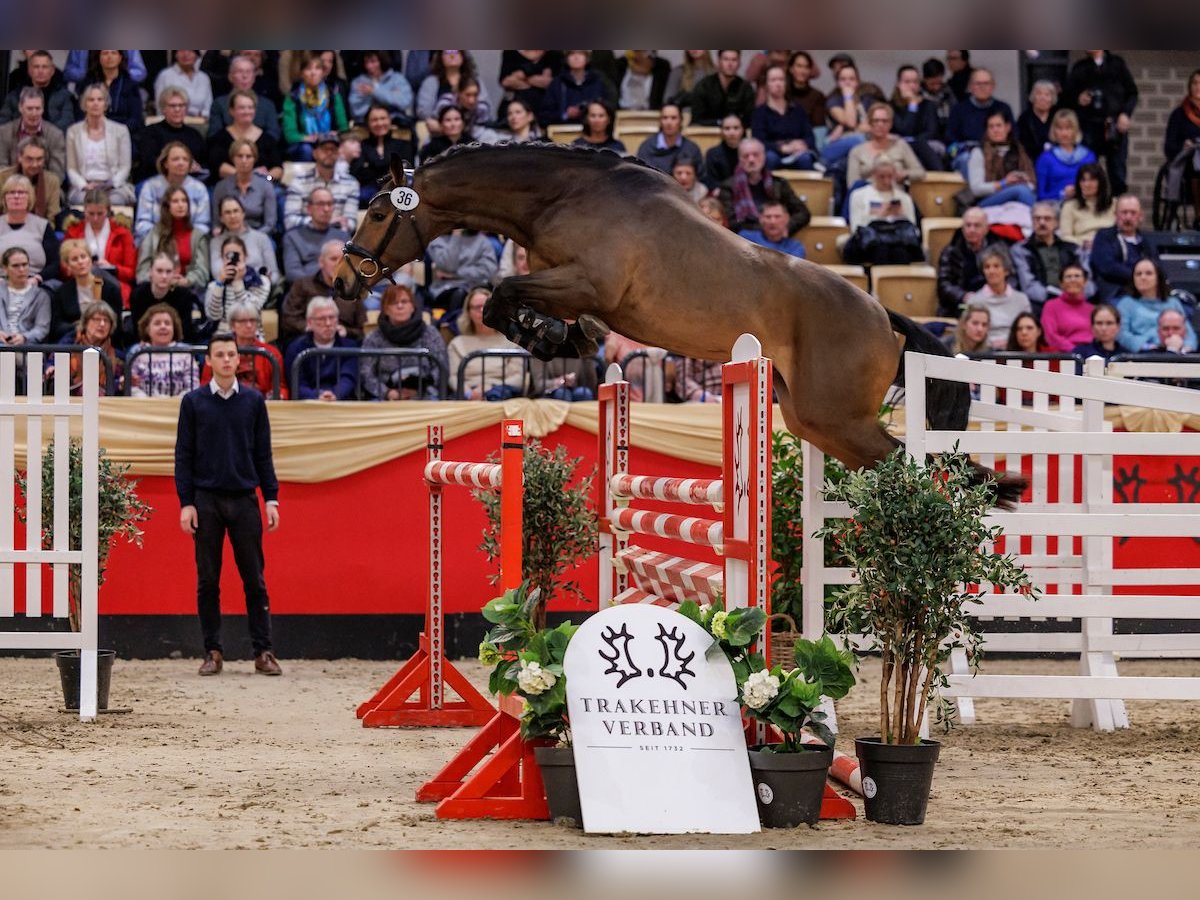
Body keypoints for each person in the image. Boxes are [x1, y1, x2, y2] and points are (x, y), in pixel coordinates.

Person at [176, 331, 282, 677]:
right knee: (208, 580)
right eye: (218, 354)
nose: (225, 359)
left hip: (244, 500)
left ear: (239, 360)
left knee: (255, 579)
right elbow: (184, 456)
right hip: (206, 501)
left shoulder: (253, 402)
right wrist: (186, 502)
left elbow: (263, 454)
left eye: (231, 354)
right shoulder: (193, 403)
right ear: (208, 360)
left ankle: (263, 651)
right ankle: (212, 650)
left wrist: (270, 498)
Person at [1065, 51, 1138, 195]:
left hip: (1114, 125)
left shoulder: (1116, 64)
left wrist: (1125, 114)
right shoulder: (1080, 67)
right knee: (1089, 171)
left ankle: (1117, 208)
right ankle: (1090, 208)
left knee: (1117, 172)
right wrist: (1078, 99)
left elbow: (1132, 93)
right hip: (1089, 126)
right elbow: (1066, 96)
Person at [360, 280, 449, 400]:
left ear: (413, 307)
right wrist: (388, 393)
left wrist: (420, 387)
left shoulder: (431, 333)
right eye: (393, 303)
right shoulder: (373, 338)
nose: (400, 306)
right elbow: (366, 373)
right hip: (386, 398)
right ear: (385, 309)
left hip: (425, 394)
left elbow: (441, 367)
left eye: (404, 301)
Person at [279, 240, 365, 347]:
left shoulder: (353, 290)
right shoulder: (302, 285)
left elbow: (361, 330)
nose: (339, 264)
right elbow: (288, 320)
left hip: (343, 348)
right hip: (308, 346)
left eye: (343, 260)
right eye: (333, 259)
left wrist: (346, 331)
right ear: (321, 262)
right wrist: (312, 328)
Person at [447, 286, 525, 401]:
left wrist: (490, 388)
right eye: (477, 307)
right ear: (468, 312)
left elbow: (518, 377)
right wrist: (469, 394)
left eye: (487, 305)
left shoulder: (511, 341)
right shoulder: (457, 343)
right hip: (468, 395)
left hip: (503, 392)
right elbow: (453, 377)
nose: (482, 310)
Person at [718, 138, 811, 235]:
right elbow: (732, 222)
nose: (751, 159)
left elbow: (803, 213)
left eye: (756, 155)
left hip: (777, 240)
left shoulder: (779, 184)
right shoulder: (728, 187)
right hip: (744, 241)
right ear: (739, 159)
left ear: (764, 156)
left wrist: (785, 228)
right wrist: (766, 231)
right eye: (746, 156)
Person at [1011, 202, 1091, 314]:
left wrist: (1074, 296)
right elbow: (1028, 285)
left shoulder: (1073, 249)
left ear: (1056, 223)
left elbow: (1088, 280)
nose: (1042, 222)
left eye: (1047, 218)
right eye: (1037, 218)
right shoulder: (1022, 249)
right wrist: (1059, 299)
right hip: (1041, 304)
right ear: (1032, 222)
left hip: (1075, 299)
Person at [62, 188, 137, 305]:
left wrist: (113, 268)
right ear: (84, 210)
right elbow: (64, 267)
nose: (95, 218)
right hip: (79, 282)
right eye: (91, 214)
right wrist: (81, 267)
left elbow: (131, 272)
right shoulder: (73, 232)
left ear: (108, 211)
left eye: (100, 213)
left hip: (113, 282)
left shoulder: (122, 233)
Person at [65, 84, 135, 206]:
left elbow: (125, 167)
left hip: (113, 186)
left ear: (105, 104)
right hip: (84, 186)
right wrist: (84, 185)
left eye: (100, 99)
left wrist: (111, 184)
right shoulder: (73, 131)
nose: (95, 103)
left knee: (115, 201)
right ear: (84, 104)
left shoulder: (121, 130)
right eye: (91, 100)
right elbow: (71, 168)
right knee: (82, 201)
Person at [200, 302, 288, 398]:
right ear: (232, 325)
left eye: (253, 320)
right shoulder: (219, 351)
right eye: (242, 321)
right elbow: (206, 383)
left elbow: (280, 386)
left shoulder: (271, 353)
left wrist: (278, 396)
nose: (249, 325)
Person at [936, 207, 1013, 317]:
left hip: (995, 300)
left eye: (977, 225)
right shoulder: (951, 251)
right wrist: (963, 296)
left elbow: (1012, 278)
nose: (971, 230)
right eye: (968, 225)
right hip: (960, 305)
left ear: (986, 229)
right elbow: (943, 285)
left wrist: (995, 294)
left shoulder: (1000, 249)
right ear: (962, 229)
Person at [135, 187, 211, 294]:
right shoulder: (153, 234)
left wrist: (186, 281)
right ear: (167, 206)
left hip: (188, 291)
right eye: (175, 201)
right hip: (157, 291)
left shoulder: (198, 236)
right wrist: (161, 280)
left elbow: (202, 272)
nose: (181, 205)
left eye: (184, 201)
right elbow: (142, 271)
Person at [283, 296, 360, 401]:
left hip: (342, 403)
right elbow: (297, 383)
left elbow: (348, 378)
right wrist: (317, 396)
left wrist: (334, 394)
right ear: (310, 323)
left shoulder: (350, 346)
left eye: (332, 317)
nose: (328, 323)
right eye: (321, 319)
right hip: (307, 405)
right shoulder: (296, 348)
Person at [134, 142, 212, 241]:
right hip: (156, 242)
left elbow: (203, 225)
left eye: (185, 159)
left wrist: (185, 241)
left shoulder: (199, 189)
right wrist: (163, 240)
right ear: (165, 163)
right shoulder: (150, 187)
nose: (181, 163)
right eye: (175, 159)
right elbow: (142, 224)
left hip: (190, 243)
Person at [51, 239, 123, 343]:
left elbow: (117, 327)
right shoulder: (61, 293)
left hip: (105, 344)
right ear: (67, 265)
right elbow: (57, 327)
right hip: (74, 342)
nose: (80, 262)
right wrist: (79, 326)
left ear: (90, 259)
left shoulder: (110, 289)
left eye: (83, 257)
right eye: (75, 259)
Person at [206, 89, 284, 185]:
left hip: (262, 187)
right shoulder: (220, 138)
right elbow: (217, 166)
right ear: (231, 111)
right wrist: (249, 177)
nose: (247, 111)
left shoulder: (267, 139)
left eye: (250, 107)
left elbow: (278, 168)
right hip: (228, 186)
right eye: (242, 108)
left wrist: (267, 178)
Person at [1115, 259, 1195, 352]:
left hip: (1176, 351)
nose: (1143, 277)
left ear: (1158, 277)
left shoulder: (1173, 303)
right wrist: (1148, 347)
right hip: (1141, 355)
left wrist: (1185, 348)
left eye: (1148, 273)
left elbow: (1189, 334)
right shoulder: (1126, 304)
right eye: (1138, 274)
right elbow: (1121, 334)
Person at [282, 52, 349, 161]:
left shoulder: (333, 93)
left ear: (323, 72)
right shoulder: (293, 97)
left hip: (331, 141)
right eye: (308, 69)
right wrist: (307, 138)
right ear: (301, 73)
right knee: (307, 150)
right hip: (305, 145)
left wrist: (335, 134)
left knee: (348, 147)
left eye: (317, 68)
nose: (313, 73)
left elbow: (344, 128)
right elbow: (290, 134)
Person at [1091, 195, 1158, 303]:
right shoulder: (1104, 237)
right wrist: (1139, 275)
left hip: (1146, 293)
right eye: (1124, 212)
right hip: (1115, 294)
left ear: (1141, 216)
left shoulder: (1147, 242)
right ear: (1115, 215)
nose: (1128, 217)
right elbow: (1107, 267)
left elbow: (1157, 267)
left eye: (1133, 213)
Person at [964, 109, 1036, 208]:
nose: (995, 130)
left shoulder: (1019, 150)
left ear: (1007, 127)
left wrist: (1024, 180)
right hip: (986, 200)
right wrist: (1004, 183)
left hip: (1017, 196)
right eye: (991, 127)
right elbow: (976, 189)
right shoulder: (978, 152)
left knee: (1026, 191)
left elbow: (1032, 184)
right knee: (1020, 190)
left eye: (999, 126)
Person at [963, 247, 1032, 349]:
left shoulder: (1022, 299)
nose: (991, 271)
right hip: (983, 352)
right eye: (987, 267)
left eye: (996, 266)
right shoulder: (974, 301)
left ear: (1006, 271)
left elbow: (1028, 330)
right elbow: (967, 332)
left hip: (1015, 351)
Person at [752, 64, 817, 171]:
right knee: (770, 158)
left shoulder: (797, 110)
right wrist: (782, 148)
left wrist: (802, 144)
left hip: (797, 153)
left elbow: (810, 137)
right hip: (773, 153)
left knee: (805, 158)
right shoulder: (760, 113)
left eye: (781, 80)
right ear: (766, 85)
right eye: (773, 80)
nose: (778, 84)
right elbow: (759, 141)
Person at [125, 303, 198, 397]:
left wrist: (174, 403)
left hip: (179, 407)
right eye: (157, 323)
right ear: (147, 329)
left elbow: (192, 386)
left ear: (174, 328)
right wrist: (148, 403)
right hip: (144, 407)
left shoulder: (186, 353)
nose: (163, 327)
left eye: (167, 323)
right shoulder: (137, 352)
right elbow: (132, 386)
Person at [136, 87, 208, 182]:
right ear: (163, 109)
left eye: (181, 105)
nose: (177, 109)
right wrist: (179, 167)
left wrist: (197, 167)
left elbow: (205, 162)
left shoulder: (194, 135)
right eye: (172, 106)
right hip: (156, 181)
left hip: (190, 182)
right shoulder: (150, 132)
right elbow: (149, 162)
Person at [946, 68, 1014, 167]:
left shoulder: (1003, 108)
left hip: (998, 152)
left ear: (993, 86)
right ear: (970, 87)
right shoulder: (959, 109)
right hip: (968, 155)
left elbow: (1013, 136)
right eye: (978, 83)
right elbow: (951, 140)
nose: (982, 87)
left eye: (986, 83)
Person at [281, 187, 351, 283]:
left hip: (339, 289)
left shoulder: (343, 236)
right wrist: (320, 283)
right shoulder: (293, 237)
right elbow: (292, 273)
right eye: (321, 204)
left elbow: (351, 268)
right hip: (308, 289)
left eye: (329, 204)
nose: (326, 209)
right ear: (309, 209)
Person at [847, 102, 927, 186]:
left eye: (885, 121)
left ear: (891, 124)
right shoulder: (857, 151)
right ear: (869, 123)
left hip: (896, 194)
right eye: (876, 121)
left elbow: (920, 172)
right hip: (867, 195)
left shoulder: (900, 145)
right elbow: (852, 184)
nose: (880, 124)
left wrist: (904, 174)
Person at [207, 53, 282, 141]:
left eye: (248, 72)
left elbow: (274, 134)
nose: (244, 76)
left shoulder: (268, 104)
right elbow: (214, 134)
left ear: (254, 77)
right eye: (240, 71)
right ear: (230, 77)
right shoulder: (219, 103)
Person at [425, 229, 500, 317]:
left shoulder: (483, 242)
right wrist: (456, 236)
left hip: (475, 287)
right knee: (459, 293)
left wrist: (454, 275)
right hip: (446, 289)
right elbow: (449, 265)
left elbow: (488, 271)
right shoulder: (437, 241)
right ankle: (453, 327)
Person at [350, 104, 415, 203]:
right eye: (374, 120)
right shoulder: (362, 145)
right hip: (367, 195)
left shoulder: (403, 144)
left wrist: (371, 167)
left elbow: (405, 172)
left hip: (397, 192)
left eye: (383, 118)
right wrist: (387, 169)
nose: (379, 123)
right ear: (368, 123)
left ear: (389, 120)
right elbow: (358, 173)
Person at [211, 139, 278, 234]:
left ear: (255, 159)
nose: (244, 160)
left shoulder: (266, 186)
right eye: (240, 156)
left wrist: (252, 238)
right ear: (233, 158)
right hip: (229, 236)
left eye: (248, 156)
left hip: (259, 234)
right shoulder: (221, 187)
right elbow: (217, 223)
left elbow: (270, 224)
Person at [204, 234, 271, 329]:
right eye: (228, 256)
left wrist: (238, 282)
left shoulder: (261, 281)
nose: (232, 259)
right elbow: (213, 316)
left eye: (236, 255)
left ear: (245, 256)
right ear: (222, 258)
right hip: (223, 336)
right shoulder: (214, 285)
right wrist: (219, 284)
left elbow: (250, 313)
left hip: (250, 333)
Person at [130, 251, 199, 340]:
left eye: (168, 271)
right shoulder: (138, 294)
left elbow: (185, 331)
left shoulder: (184, 295)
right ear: (150, 272)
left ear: (174, 273)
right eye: (159, 271)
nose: (164, 276)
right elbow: (138, 330)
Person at [0, 87, 67, 180]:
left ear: (43, 109)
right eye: (30, 108)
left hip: (44, 185)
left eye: (37, 108)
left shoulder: (56, 135)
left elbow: (57, 173)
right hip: (11, 187)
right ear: (20, 107)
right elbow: (1, 168)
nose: (34, 113)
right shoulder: (4, 132)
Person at [0, 51, 76, 132]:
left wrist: (43, 134)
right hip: (19, 140)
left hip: (51, 141)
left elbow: (67, 122)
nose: (40, 71)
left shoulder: (64, 96)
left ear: (52, 70)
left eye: (44, 67)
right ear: (29, 70)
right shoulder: (15, 95)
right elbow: (3, 121)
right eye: (36, 67)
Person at [208, 196, 278, 283]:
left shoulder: (262, 238)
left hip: (259, 289)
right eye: (227, 212)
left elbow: (274, 274)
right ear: (221, 218)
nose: (232, 216)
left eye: (236, 211)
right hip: (228, 290)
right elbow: (217, 273)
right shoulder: (215, 242)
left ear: (243, 213)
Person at [0, 174, 57, 281]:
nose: (16, 196)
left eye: (21, 192)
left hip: (35, 282)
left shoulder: (42, 225)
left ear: (30, 197)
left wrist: (38, 278)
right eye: (11, 192)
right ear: (4, 198)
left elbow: (55, 263)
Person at [417, 51, 491, 132]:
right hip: (440, 128)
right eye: (447, 53)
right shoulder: (431, 82)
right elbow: (424, 112)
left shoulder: (475, 80)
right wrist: (446, 126)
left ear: (463, 56)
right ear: (440, 58)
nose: (452, 56)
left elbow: (485, 108)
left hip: (474, 128)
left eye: (456, 52)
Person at [890, 64, 944, 171]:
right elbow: (904, 130)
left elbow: (932, 131)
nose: (912, 86)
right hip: (899, 145)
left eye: (915, 82)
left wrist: (915, 140)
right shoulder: (891, 106)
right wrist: (912, 107)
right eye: (907, 82)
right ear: (898, 84)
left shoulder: (928, 105)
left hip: (924, 145)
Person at [539, 50, 615, 127]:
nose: (576, 57)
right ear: (566, 59)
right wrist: (565, 114)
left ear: (587, 58)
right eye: (572, 54)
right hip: (565, 131)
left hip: (595, 130)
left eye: (581, 53)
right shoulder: (557, 83)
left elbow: (610, 107)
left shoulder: (599, 80)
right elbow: (544, 116)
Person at [1035, 109, 1096, 203]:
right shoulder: (1045, 158)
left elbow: (1097, 188)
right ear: (1054, 131)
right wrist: (1062, 194)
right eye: (1060, 128)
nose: (1064, 133)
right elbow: (1040, 195)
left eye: (1068, 128)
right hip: (1056, 206)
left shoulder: (1088, 157)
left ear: (1076, 130)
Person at [1162, 69, 1200, 218]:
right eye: (1195, 83)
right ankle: (1198, 216)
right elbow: (1169, 146)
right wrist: (1183, 146)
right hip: (1187, 164)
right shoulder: (1179, 114)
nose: (1198, 87)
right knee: (1197, 168)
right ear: (1189, 86)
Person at [846, 157, 918, 235]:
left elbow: (915, 230)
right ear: (873, 174)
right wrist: (879, 217)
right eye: (882, 177)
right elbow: (856, 229)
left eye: (890, 176)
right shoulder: (858, 195)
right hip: (871, 241)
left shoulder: (904, 198)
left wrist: (902, 218)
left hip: (898, 241)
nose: (886, 181)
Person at [0, 137, 62, 222]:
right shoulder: (2, 177)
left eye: (39, 159)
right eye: (29, 159)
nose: (34, 164)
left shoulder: (52, 181)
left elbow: (52, 217)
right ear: (19, 157)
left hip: (40, 230)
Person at [822, 63, 874, 166]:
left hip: (859, 147)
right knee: (860, 139)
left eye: (852, 79)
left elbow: (873, 125)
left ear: (857, 82)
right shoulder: (833, 101)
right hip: (835, 144)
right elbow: (851, 122)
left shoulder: (866, 100)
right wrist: (848, 97)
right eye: (843, 79)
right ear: (837, 83)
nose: (847, 82)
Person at [82, 51, 144, 134]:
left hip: (124, 132)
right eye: (105, 53)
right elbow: (81, 113)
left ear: (120, 58)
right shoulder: (88, 83)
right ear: (99, 57)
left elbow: (135, 117)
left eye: (113, 53)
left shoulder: (130, 84)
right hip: (93, 132)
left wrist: (119, 132)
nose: (109, 57)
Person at [634, 103, 704, 177]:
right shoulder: (646, 147)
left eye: (673, 118)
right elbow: (640, 176)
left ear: (681, 121)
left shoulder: (692, 149)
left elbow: (699, 177)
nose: (669, 122)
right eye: (665, 118)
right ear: (660, 121)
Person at [0, 247, 51, 346]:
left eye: (24, 264)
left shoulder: (41, 295)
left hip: (28, 347)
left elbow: (42, 328)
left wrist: (24, 337)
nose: (21, 269)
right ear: (5, 269)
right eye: (15, 266)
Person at [1057, 162, 1115, 249]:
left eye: (1092, 180)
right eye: (1083, 180)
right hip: (1081, 250)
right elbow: (1065, 236)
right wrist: (1083, 244)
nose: (1086, 184)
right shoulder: (1069, 206)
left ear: (1101, 182)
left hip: (1110, 248)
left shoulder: (1114, 204)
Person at [690, 50, 755, 126]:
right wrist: (721, 123)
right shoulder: (704, 86)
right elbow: (697, 120)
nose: (730, 64)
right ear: (719, 62)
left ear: (739, 63)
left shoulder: (746, 88)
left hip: (736, 134)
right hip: (707, 133)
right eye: (726, 59)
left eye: (734, 60)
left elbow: (750, 119)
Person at [1039, 264, 1094, 352]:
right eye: (1068, 277)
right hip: (1064, 356)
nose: (1073, 280)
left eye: (1077, 276)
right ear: (1061, 283)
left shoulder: (1092, 309)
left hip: (1092, 355)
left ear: (1085, 282)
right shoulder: (1051, 306)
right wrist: (1075, 350)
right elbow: (1050, 335)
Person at [348, 51, 412, 125]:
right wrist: (390, 95)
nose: (369, 66)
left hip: (394, 122)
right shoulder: (358, 82)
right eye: (366, 62)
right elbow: (355, 110)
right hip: (366, 124)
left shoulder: (397, 79)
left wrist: (374, 92)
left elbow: (404, 102)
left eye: (373, 61)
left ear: (382, 60)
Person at [498, 50, 561, 123]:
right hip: (515, 105)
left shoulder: (554, 55)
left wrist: (523, 77)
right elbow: (506, 82)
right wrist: (537, 79)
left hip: (544, 109)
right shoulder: (510, 53)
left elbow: (551, 83)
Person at [737, 199, 806, 259]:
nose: (772, 222)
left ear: (786, 219)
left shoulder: (796, 247)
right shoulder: (745, 238)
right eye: (768, 217)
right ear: (761, 219)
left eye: (777, 216)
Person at [154, 51, 213, 119]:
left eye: (190, 51)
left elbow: (209, 106)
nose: (186, 54)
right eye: (181, 50)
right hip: (172, 122)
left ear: (197, 55)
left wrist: (203, 116)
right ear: (175, 54)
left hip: (200, 122)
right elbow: (160, 107)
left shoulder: (203, 77)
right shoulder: (165, 76)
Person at [1016, 80, 1060, 163]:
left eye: (1047, 95)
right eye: (1039, 94)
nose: (1043, 98)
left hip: (1055, 162)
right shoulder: (1024, 118)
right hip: (1031, 162)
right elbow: (1021, 145)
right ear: (1033, 97)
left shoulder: (1057, 117)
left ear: (1052, 98)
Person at [784, 51, 827, 134]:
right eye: (799, 66)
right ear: (791, 69)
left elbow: (819, 128)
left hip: (809, 140)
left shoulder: (817, 96)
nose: (803, 71)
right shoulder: (782, 94)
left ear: (810, 71)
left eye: (806, 67)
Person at [701, 115, 744, 189]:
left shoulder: (750, 153)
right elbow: (712, 182)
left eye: (736, 128)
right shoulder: (712, 154)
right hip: (722, 193)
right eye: (727, 128)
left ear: (742, 130)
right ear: (721, 131)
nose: (732, 132)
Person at [920, 57, 956, 143]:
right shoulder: (918, 94)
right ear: (925, 79)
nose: (936, 87)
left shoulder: (948, 93)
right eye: (932, 84)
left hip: (946, 136)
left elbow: (955, 112)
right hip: (924, 137)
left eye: (939, 83)